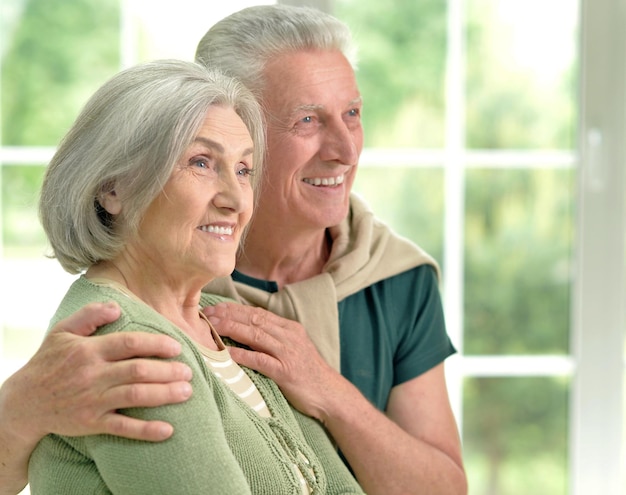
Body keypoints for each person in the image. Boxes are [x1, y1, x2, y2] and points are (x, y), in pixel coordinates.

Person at [0, 5, 466, 495]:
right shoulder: (140, 339)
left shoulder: (214, 314)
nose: (346, 151)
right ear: (114, 188)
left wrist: (326, 387)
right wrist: (16, 412)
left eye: (353, 113)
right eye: (307, 119)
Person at [26, 58, 364, 495]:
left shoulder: (222, 320)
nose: (236, 200)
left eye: (243, 170)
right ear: (114, 188)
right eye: (201, 162)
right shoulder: (127, 347)